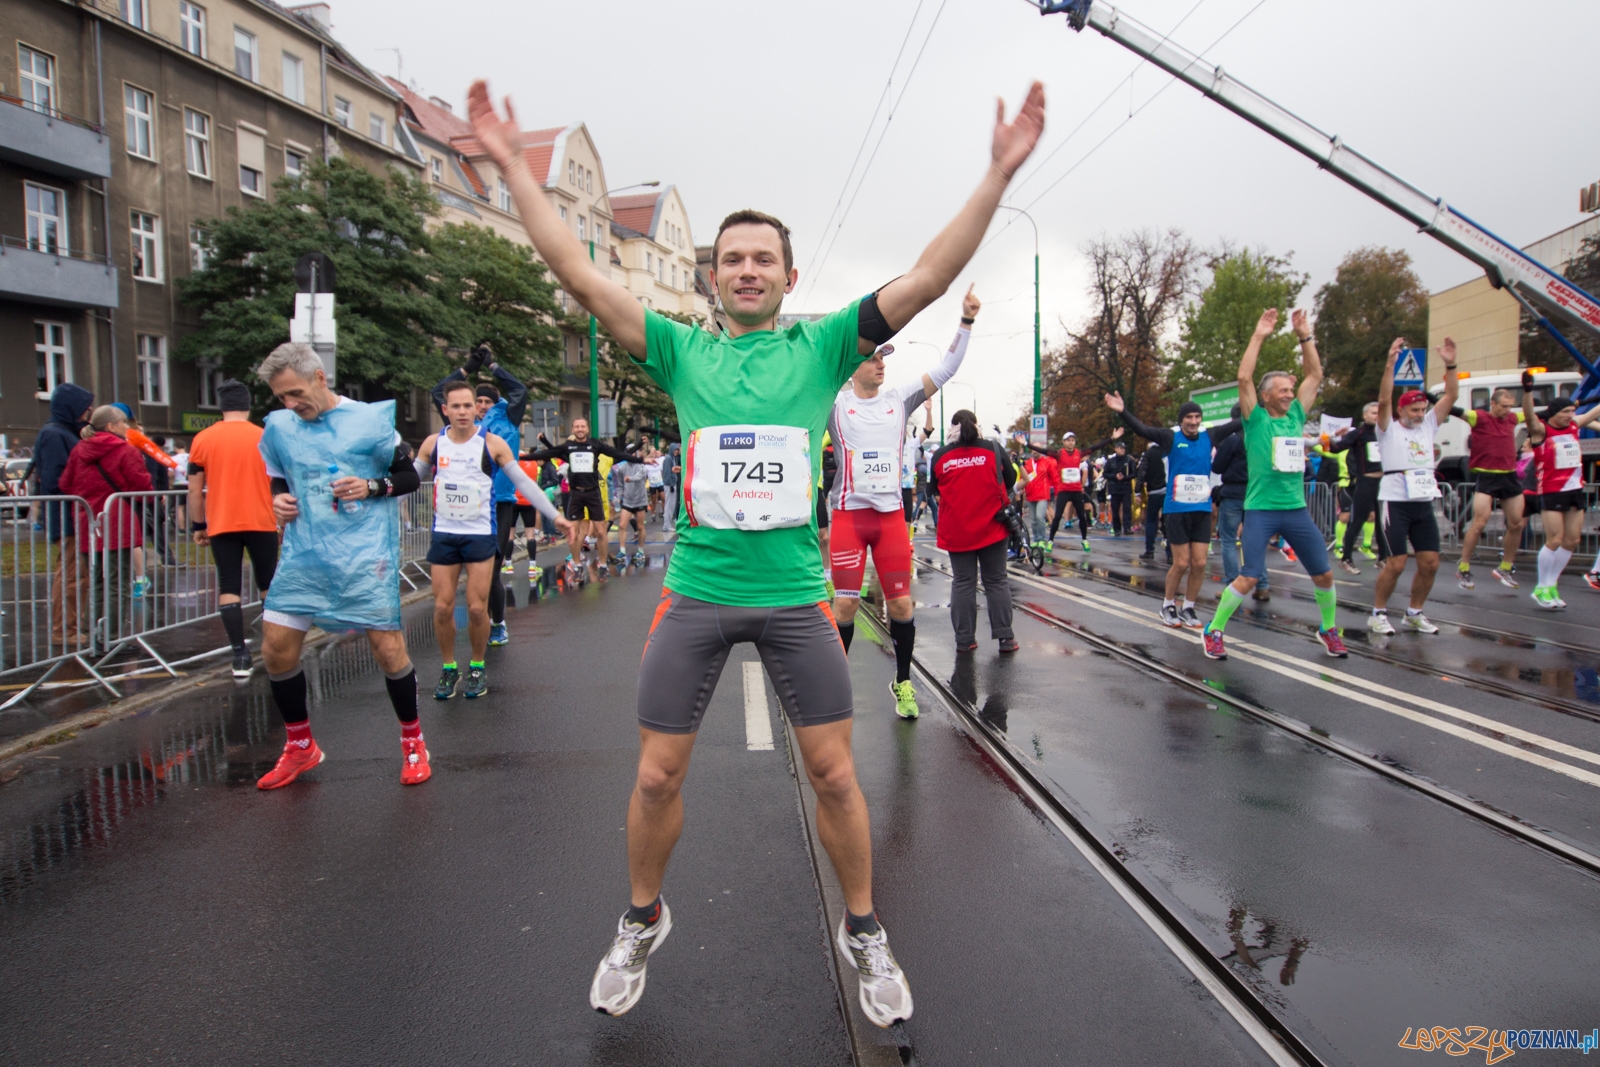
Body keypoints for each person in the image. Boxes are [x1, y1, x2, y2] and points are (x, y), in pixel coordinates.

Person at [470, 73, 1043, 1025]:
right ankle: (641, 918)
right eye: (731, 258)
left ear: (785, 273)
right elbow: (577, 270)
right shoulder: (678, 349)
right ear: (712, 275)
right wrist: (507, 166)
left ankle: (865, 930)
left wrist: (995, 174)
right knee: (656, 773)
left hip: (791, 597)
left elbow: (930, 279)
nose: (745, 270)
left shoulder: (822, 348)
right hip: (695, 593)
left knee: (835, 773)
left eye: (762, 259)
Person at [249, 342, 427, 791]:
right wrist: (279, 499)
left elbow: (409, 477)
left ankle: (413, 743)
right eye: (280, 397)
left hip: (365, 555)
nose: (290, 405)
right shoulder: (279, 428)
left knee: (388, 651)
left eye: (294, 393)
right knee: (276, 647)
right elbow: (277, 474)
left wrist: (371, 486)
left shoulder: (369, 420)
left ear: (320, 378)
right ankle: (300, 746)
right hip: (305, 553)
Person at [830, 290, 978, 721]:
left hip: (891, 519)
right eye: (874, 357)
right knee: (845, 606)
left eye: (884, 357)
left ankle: (904, 681)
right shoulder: (835, 404)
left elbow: (947, 368)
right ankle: (838, 686)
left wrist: (965, 322)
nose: (881, 363)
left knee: (901, 607)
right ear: (852, 365)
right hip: (850, 518)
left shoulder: (900, 398)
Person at [1201, 309, 1346, 660]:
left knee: (1324, 574)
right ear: (1265, 396)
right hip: (1261, 510)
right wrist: (1259, 334)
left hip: (1295, 510)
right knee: (1249, 576)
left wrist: (1304, 335)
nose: (1288, 394)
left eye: (1290, 390)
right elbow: (1244, 376)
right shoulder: (1255, 419)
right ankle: (1213, 630)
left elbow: (1316, 373)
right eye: (1282, 390)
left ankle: (1327, 629)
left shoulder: (1296, 415)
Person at [417, 381, 570, 699]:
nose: (462, 412)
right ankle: (448, 669)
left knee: (476, 608)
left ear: (477, 409)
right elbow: (409, 480)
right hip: (445, 535)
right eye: (455, 406)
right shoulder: (434, 443)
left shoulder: (492, 443)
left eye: (467, 406)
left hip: (479, 535)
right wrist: (371, 493)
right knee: (443, 607)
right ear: (445, 410)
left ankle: (476, 666)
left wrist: (553, 514)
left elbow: (524, 484)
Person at [1106, 393, 1239, 628]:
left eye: (1197, 417)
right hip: (1177, 508)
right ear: (1181, 420)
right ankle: (1168, 604)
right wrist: (1122, 411)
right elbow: (1143, 429)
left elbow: (1238, 423)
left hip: (1202, 509)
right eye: (1189, 417)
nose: (1194, 421)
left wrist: (1263, 406)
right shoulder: (1170, 437)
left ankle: (1188, 607)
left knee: (1199, 563)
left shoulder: (1210, 435)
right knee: (1181, 563)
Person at [432, 345, 529, 648]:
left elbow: (519, 389)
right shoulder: (460, 421)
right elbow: (438, 393)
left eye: (488, 401)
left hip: (499, 503)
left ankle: (497, 622)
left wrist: (493, 367)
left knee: (494, 567)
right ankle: (479, 620)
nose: (483, 406)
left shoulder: (507, 418)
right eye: (479, 400)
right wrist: (467, 368)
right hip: (461, 510)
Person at [187, 379, 278, 678]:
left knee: (229, 585)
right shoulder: (264, 436)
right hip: (261, 519)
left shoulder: (203, 439)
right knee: (268, 585)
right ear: (248, 405)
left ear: (221, 406)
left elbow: (194, 488)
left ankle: (240, 656)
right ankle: (274, 649)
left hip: (222, 521)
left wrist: (197, 524)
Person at [1369, 337, 1457, 634]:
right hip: (1395, 502)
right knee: (1396, 564)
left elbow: (1451, 397)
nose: (1420, 415)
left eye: (1422, 410)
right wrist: (1391, 364)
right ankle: (1378, 613)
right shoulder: (1388, 430)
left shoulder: (1429, 425)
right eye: (1414, 411)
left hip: (1422, 502)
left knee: (1430, 562)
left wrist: (1450, 364)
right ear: (1402, 411)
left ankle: (1414, 612)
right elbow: (1383, 401)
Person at [59, 406, 152, 642]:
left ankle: (95, 634)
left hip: (88, 522)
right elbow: (142, 487)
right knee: (117, 582)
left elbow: (65, 484)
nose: (128, 427)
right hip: (117, 522)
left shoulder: (79, 450)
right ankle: (111, 636)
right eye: (123, 422)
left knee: (97, 581)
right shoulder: (125, 450)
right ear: (111, 426)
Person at [929, 409, 1018, 653]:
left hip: (957, 530)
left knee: (963, 582)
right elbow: (1009, 481)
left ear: (952, 428)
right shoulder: (993, 449)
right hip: (993, 526)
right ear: (977, 425)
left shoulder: (940, 455)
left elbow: (933, 488)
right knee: (996, 581)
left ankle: (965, 639)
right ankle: (1005, 638)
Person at [1522, 374, 1600, 608]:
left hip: (1575, 489)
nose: (1569, 416)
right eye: (1564, 413)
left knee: (1572, 540)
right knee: (1554, 539)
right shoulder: (1541, 431)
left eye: (1570, 412)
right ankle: (1541, 587)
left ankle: (1551, 585)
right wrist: (1527, 392)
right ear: (1553, 413)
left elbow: (1594, 412)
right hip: (1551, 490)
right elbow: (1528, 416)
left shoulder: (1574, 425)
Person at [526, 418, 634, 582]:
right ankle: (576, 565)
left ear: (588, 429)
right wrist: (544, 440)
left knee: (600, 531)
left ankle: (603, 566)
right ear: (573, 429)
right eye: (576, 426)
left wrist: (639, 450)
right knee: (575, 532)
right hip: (575, 494)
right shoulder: (571, 451)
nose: (580, 429)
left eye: (583, 426)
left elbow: (621, 454)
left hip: (595, 494)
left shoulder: (599, 452)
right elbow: (555, 451)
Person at [34, 382, 94, 647]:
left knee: (77, 573)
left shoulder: (65, 432)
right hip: (66, 514)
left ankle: (72, 625)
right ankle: (64, 629)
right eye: (85, 407)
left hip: (74, 513)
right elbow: (55, 480)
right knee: (71, 574)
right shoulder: (55, 435)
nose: (89, 411)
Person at [1454, 384, 1527, 590]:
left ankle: (1505, 567)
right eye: (1503, 406)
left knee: (1516, 524)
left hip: (1509, 476)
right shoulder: (1479, 417)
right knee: (1479, 523)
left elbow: (1535, 415)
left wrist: (1528, 393)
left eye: (1510, 406)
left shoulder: (1512, 419)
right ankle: (1464, 567)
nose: (1507, 410)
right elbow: (1454, 410)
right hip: (1487, 477)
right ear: (1492, 404)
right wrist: (1432, 398)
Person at [1027, 428, 1120, 552]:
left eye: (1073, 440)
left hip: (1076, 490)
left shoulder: (1079, 453)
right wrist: (1026, 444)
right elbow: (1044, 451)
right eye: (1068, 440)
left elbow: (1095, 447)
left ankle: (1084, 540)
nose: (1071, 442)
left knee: (1082, 516)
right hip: (1063, 491)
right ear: (1064, 442)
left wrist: (1112, 438)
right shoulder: (1059, 453)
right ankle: (1050, 541)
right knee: (1058, 516)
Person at [1325, 402, 1382, 573]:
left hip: (1384, 483)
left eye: (1380, 413)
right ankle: (1346, 558)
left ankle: (1384, 558)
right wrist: (1330, 437)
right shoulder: (1359, 433)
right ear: (1365, 415)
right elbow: (1334, 449)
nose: (1377, 416)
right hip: (1365, 481)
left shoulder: (1386, 433)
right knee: (1358, 519)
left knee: (1381, 522)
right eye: (1373, 413)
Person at [614, 447, 653, 567]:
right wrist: (618, 498)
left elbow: (640, 476)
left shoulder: (641, 466)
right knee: (622, 524)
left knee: (640, 526)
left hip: (640, 500)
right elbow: (620, 485)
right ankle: (622, 551)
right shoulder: (621, 468)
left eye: (633, 452)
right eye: (629, 452)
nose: (631, 455)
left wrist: (629, 479)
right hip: (627, 500)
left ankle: (640, 551)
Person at [1134, 433, 1167, 562]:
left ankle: (1149, 550)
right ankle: (1170, 552)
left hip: (1153, 491)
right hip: (1168, 490)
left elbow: (1141, 472)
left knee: (1151, 521)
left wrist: (1138, 491)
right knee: (1168, 521)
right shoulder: (1168, 451)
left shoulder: (1148, 453)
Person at [1102, 439, 1134, 536]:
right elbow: (1105, 474)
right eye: (1120, 448)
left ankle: (1127, 527)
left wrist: (1125, 477)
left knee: (1127, 508)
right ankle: (1117, 528)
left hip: (1125, 487)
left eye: (1123, 448)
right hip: (1114, 487)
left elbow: (1134, 473)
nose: (1122, 450)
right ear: (1116, 449)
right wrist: (1115, 476)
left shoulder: (1129, 460)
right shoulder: (1111, 461)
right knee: (1115, 509)